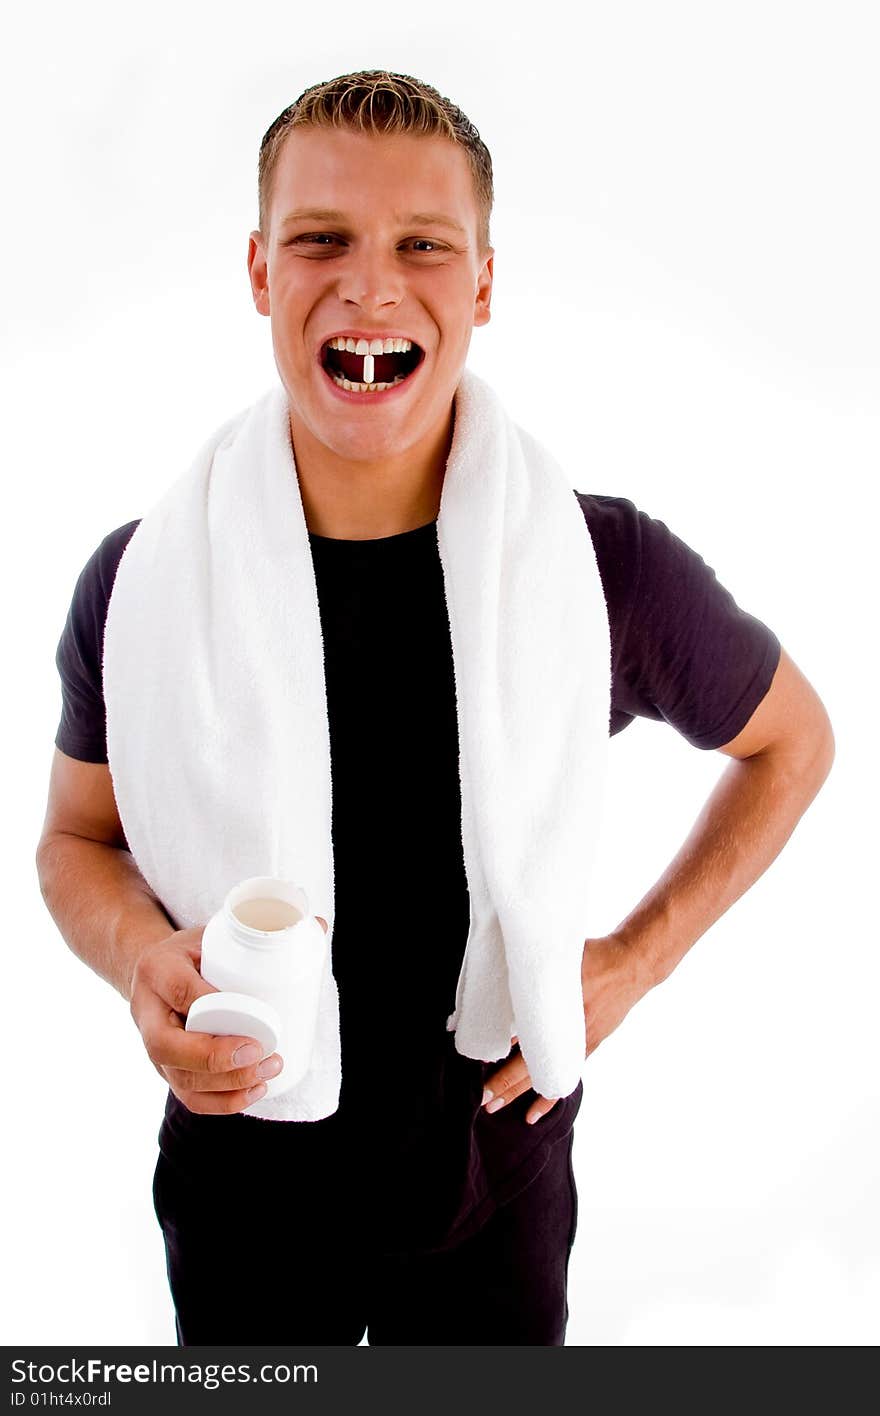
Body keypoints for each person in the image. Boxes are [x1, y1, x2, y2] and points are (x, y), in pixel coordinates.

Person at [35, 69, 835, 1347]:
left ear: (481, 286)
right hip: (240, 1188)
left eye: (421, 245)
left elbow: (794, 742)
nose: (369, 287)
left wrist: (627, 966)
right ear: (256, 269)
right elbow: (76, 843)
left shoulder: (597, 569)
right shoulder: (141, 583)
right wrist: (141, 959)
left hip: (495, 1195)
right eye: (320, 240)